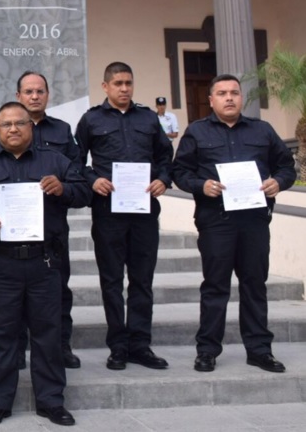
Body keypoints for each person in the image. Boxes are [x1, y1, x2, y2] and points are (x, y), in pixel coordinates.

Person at [0, 102, 91, 427]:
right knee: (1, 334)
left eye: (20, 123)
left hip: (44, 262)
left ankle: (51, 402)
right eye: (6, 125)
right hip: (1, 264)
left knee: (48, 333)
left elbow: (85, 191)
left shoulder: (55, 161)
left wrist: (64, 189)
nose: (14, 129)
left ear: (31, 127)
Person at [172, 74, 295, 373]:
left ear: (242, 98)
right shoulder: (197, 132)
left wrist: (277, 182)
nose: (229, 98)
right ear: (211, 99)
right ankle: (207, 351)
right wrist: (202, 186)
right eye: (222, 93)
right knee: (215, 286)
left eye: (235, 93)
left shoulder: (262, 130)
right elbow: (180, 171)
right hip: (217, 221)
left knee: (255, 284)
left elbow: (286, 166)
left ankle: (259, 350)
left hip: (254, 221)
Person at [76, 62, 173, 371]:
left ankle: (140, 345)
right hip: (108, 212)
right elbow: (74, 161)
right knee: (112, 281)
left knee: (142, 281)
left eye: (128, 83)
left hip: (144, 211)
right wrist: (93, 180)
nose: (124, 88)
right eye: (117, 83)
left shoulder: (148, 118)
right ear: (105, 86)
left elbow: (164, 157)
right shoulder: (91, 119)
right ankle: (118, 345)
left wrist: (163, 179)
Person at [15, 71, 84, 370]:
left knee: (58, 290)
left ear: (47, 95)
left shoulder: (63, 131)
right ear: (18, 95)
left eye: (39, 91)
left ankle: (61, 346)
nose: (34, 96)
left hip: (52, 228)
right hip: (16, 229)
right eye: (28, 91)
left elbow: (80, 182)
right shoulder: (8, 128)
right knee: (15, 295)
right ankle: (16, 349)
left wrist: (64, 188)